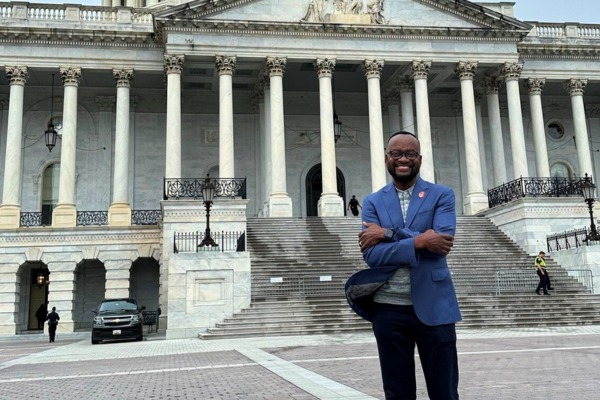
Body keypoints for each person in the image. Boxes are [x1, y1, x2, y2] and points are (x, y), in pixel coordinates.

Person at [345, 131, 460, 400]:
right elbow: (373, 256)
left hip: (435, 305)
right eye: (396, 153)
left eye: (410, 153)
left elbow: (442, 242)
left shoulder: (442, 194)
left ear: (419, 158)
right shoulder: (373, 201)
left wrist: (387, 234)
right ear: (387, 158)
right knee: (397, 393)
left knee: (444, 392)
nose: (403, 159)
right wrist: (421, 240)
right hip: (388, 309)